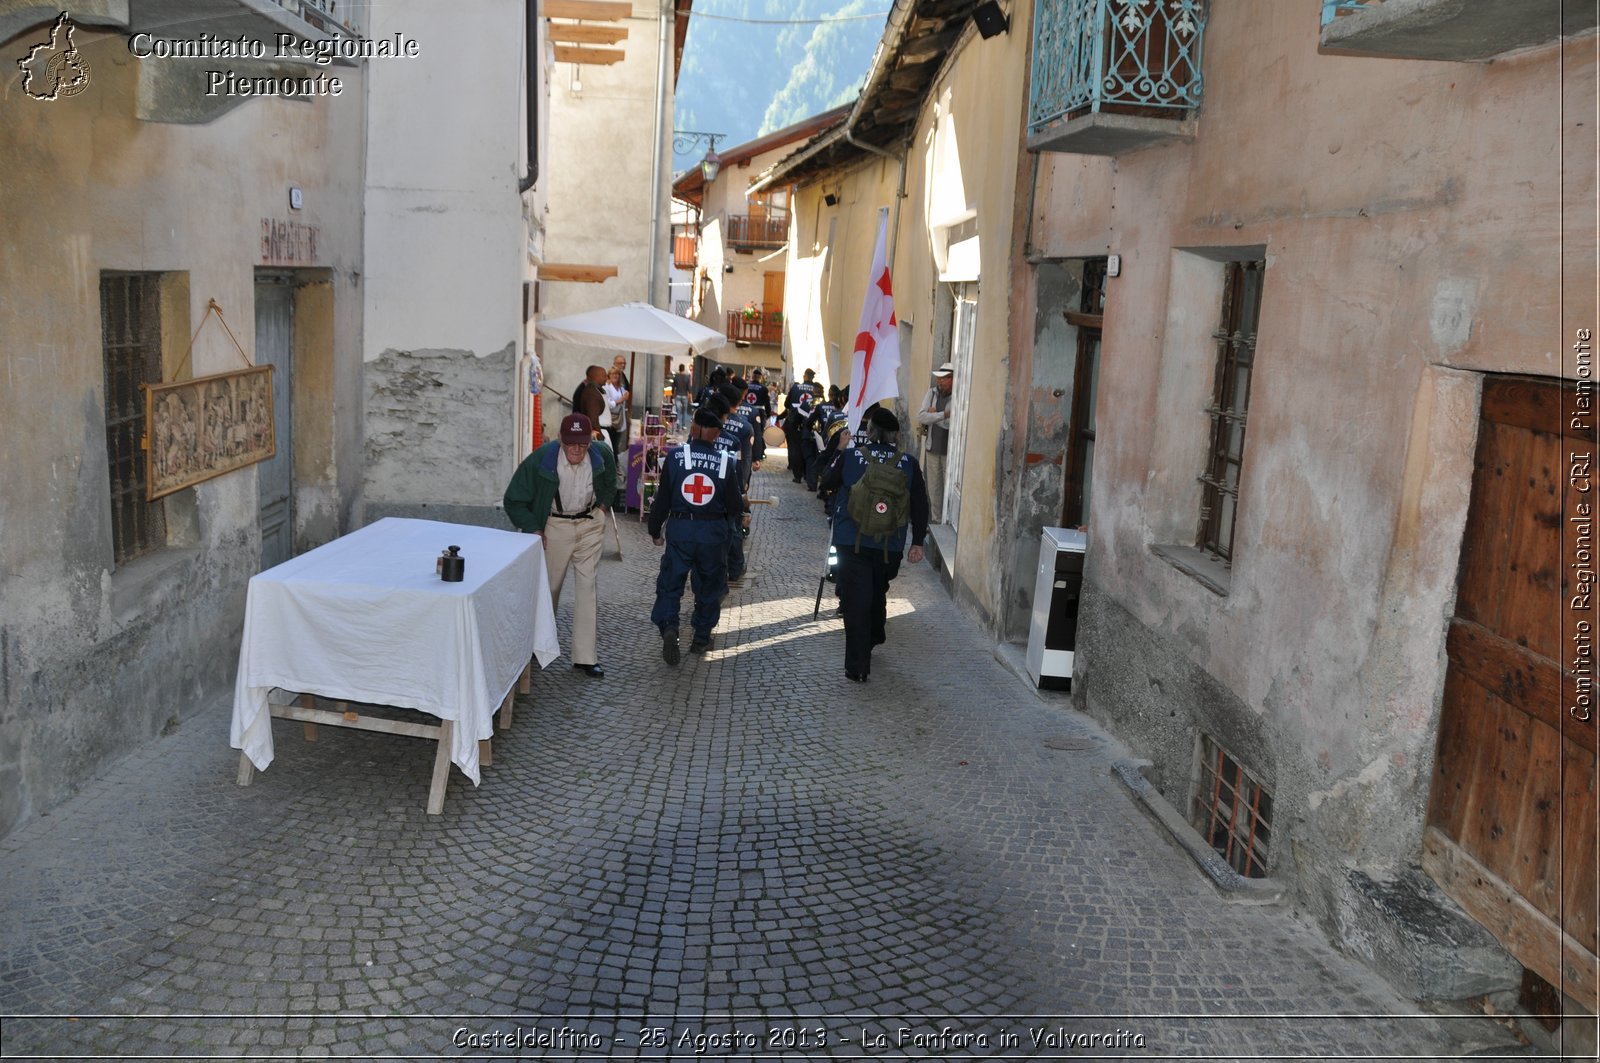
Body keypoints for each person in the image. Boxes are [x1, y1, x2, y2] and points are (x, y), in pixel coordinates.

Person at [819, 406, 929, 683]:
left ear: (869, 432)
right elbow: (920, 504)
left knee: (856, 600)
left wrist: (840, 450)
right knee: (878, 589)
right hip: (889, 545)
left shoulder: (853, 456)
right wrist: (917, 542)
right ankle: (875, 633)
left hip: (850, 541)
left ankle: (857, 665)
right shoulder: (909, 462)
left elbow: (827, 482)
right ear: (894, 435)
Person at [504, 413, 618, 678]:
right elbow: (513, 499)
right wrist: (534, 527)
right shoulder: (541, 460)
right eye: (571, 444)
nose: (576, 449)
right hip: (556, 526)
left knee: (588, 587)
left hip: (589, 523)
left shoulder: (602, 454)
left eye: (582, 443)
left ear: (590, 440)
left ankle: (585, 657)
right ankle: (538, 646)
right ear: (561, 440)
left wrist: (602, 509)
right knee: (550, 587)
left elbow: (611, 482)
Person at [649, 407, 747, 664]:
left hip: (681, 530)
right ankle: (701, 637)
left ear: (693, 429)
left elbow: (663, 499)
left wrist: (654, 529)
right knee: (709, 587)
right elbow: (735, 506)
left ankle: (669, 626)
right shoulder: (726, 461)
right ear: (716, 435)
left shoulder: (676, 457)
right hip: (712, 534)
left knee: (671, 584)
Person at [916, 361, 954, 522]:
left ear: (953, 379)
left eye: (944, 378)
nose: (940, 381)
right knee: (933, 489)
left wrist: (935, 415)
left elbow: (950, 424)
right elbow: (921, 416)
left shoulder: (958, 397)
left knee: (948, 490)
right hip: (932, 449)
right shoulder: (932, 393)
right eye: (939, 378)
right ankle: (937, 521)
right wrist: (943, 414)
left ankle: (947, 521)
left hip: (949, 453)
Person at [783, 369, 819, 483]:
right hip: (810, 424)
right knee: (809, 450)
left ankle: (797, 475)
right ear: (812, 377)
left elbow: (786, 404)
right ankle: (807, 474)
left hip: (795, 422)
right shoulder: (817, 389)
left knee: (796, 448)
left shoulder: (795, 388)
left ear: (805, 376)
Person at [571, 365, 608, 435]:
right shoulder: (590, 392)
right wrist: (599, 436)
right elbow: (592, 418)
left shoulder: (593, 389)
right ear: (596, 377)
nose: (606, 378)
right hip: (592, 431)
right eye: (604, 376)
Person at [603, 366, 629, 455]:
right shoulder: (607, 388)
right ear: (609, 375)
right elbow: (608, 404)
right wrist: (621, 400)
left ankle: (616, 462)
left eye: (617, 374)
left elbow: (624, 400)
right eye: (613, 374)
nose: (616, 376)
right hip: (610, 418)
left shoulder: (621, 388)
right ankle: (614, 463)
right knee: (611, 443)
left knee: (617, 442)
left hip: (620, 418)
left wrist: (626, 395)